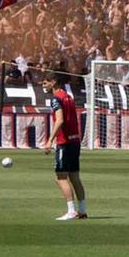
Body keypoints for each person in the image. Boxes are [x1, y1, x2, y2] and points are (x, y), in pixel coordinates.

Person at [43, 71, 87, 219]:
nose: (44, 85)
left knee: (61, 177)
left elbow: (60, 120)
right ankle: (82, 210)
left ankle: (71, 211)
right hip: (75, 140)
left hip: (65, 141)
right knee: (75, 177)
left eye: (46, 82)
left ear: (53, 82)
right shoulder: (68, 96)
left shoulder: (56, 99)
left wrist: (50, 140)